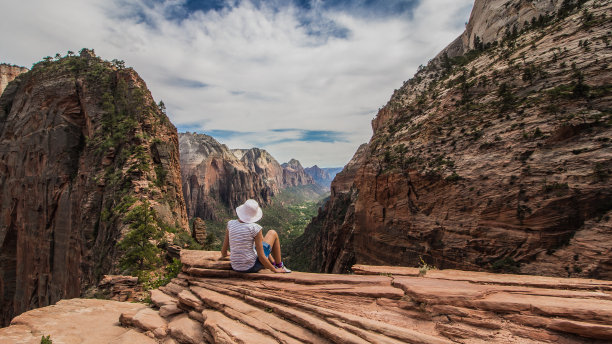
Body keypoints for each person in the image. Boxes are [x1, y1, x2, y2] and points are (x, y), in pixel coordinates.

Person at [221, 199, 291, 273]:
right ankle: (279, 265)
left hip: (235, 266)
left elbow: (223, 252)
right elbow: (261, 257)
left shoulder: (230, 224)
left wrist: (235, 254)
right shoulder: (255, 228)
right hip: (252, 267)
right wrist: (275, 270)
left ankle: (273, 262)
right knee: (272, 233)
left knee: (259, 242)